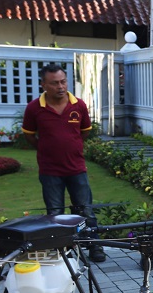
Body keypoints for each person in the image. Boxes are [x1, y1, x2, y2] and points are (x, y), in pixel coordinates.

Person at [22, 64, 105, 263]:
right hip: (50, 171)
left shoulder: (79, 105)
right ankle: (61, 251)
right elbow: (30, 136)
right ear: (43, 85)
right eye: (54, 83)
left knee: (85, 210)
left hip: (76, 168)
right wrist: (48, 148)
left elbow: (84, 132)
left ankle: (94, 246)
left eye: (63, 82)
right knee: (55, 213)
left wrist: (70, 146)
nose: (60, 86)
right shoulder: (34, 108)